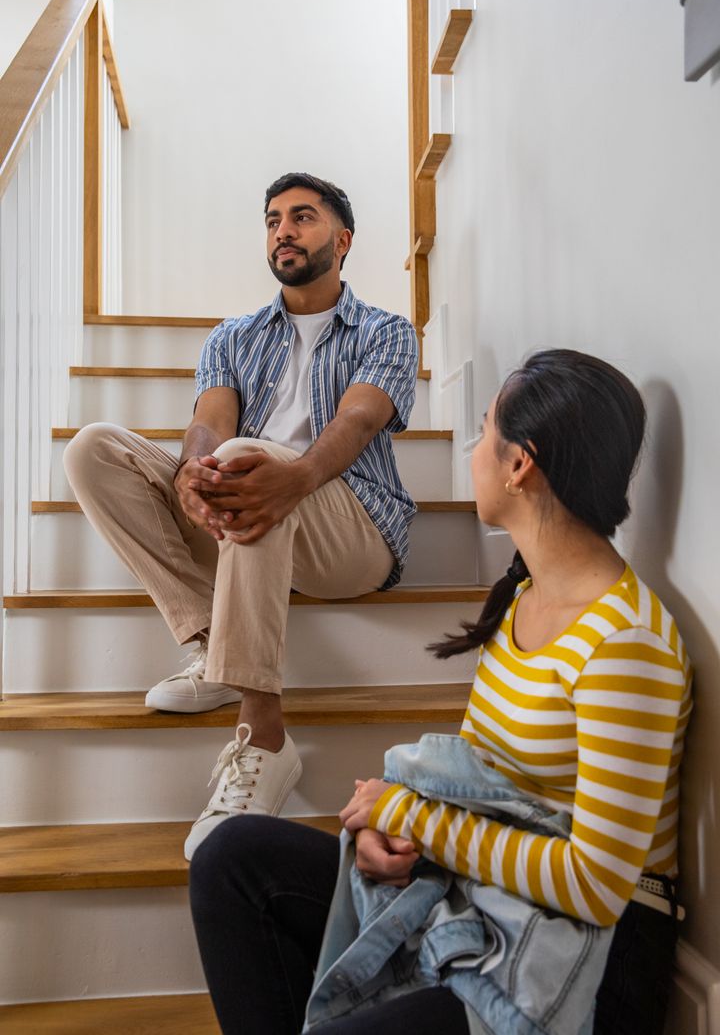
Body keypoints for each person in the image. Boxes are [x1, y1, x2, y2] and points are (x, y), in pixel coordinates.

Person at [189, 349, 692, 1035]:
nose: (474, 452)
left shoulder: (625, 644)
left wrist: (418, 820)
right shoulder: (525, 598)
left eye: (486, 433)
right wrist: (395, 833)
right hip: (497, 900)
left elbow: (595, 886)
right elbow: (488, 785)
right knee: (231, 859)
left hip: (589, 955)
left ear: (522, 464)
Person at [64, 172, 418, 860]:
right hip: (248, 509)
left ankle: (264, 735)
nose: (283, 229)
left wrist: (295, 475)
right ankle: (210, 641)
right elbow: (209, 422)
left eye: (303, 217)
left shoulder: (386, 331)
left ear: (342, 241)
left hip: (352, 532)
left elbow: (359, 417)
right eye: (273, 219)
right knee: (95, 448)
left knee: (252, 457)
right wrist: (194, 471)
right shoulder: (234, 335)